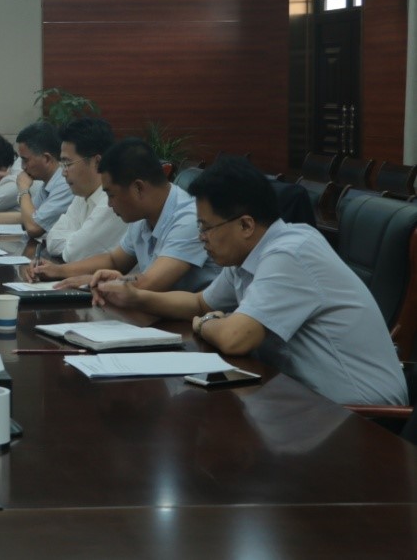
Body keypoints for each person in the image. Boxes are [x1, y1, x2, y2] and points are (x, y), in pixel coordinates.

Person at [94, 158, 408, 405]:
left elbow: (235, 338)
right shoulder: (247, 255)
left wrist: (205, 324)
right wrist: (134, 296)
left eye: (206, 228)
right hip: (303, 400)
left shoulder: (290, 253)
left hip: (360, 416)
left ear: (245, 225)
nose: (201, 238)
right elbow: (200, 302)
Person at [31, 137, 219, 292]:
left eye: (111, 195)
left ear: (138, 188)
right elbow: (114, 260)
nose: (109, 204)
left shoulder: (189, 219)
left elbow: (150, 284)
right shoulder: (144, 214)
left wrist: (94, 281)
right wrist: (58, 271)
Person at [0, 121, 73, 237]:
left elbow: (34, 227)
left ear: (46, 159)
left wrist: (23, 190)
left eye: (26, 160)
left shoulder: (64, 184)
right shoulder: (47, 183)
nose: (23, 167)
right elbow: (25, 217)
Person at [43, 117, 126, 262]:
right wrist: (76, 239)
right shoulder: (82, 194)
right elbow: (53, 239)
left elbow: (74, 253)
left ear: (97, 162)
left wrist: (75, 239)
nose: (63, 173)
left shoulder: (113, 201)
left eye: (68, 164)